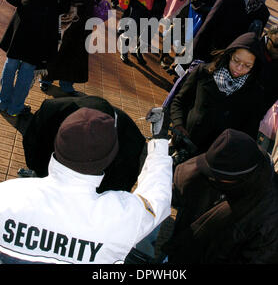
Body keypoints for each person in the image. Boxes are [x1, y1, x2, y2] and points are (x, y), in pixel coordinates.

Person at [0, 107, 172, 264]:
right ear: (109, 158)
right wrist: (160, 141)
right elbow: (158, 197)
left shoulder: (9, 194)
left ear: (57, 143)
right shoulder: (120, 217)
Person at [162, 128, 278, 264]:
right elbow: (178, 188)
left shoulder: (270, 217)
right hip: (181, 248)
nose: (209, 177)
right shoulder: (225, 163)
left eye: (216, 177)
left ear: (239, 179)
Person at [0, 0, 71, 117]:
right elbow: (64, 6)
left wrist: (25, 3)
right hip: (44, 26)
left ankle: (2, 102)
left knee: (12, 61)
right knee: (29, 67)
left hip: (23, 21)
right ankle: (16, 107)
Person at [169, 32, 266, 154]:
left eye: (247, 66)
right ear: (229, 55)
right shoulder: (203, 72)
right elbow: (179, 101)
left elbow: (248, 133)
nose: (239, 68)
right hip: (185, 143)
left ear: (254, 66)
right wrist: (178, 125)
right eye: (236, 61)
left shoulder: (255, 93)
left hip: (214, 158)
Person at [39, 0, 101, 95]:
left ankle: (67, 82)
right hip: (66, 15)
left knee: (76, 52)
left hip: (84, 17)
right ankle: (46, 78)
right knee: (58, 49)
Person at [193, 0, 273, 63]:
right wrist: (190, 55)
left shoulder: (263, 13)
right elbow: (206, 28)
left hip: (232, 60)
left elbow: (252, 42)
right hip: (209, 51)